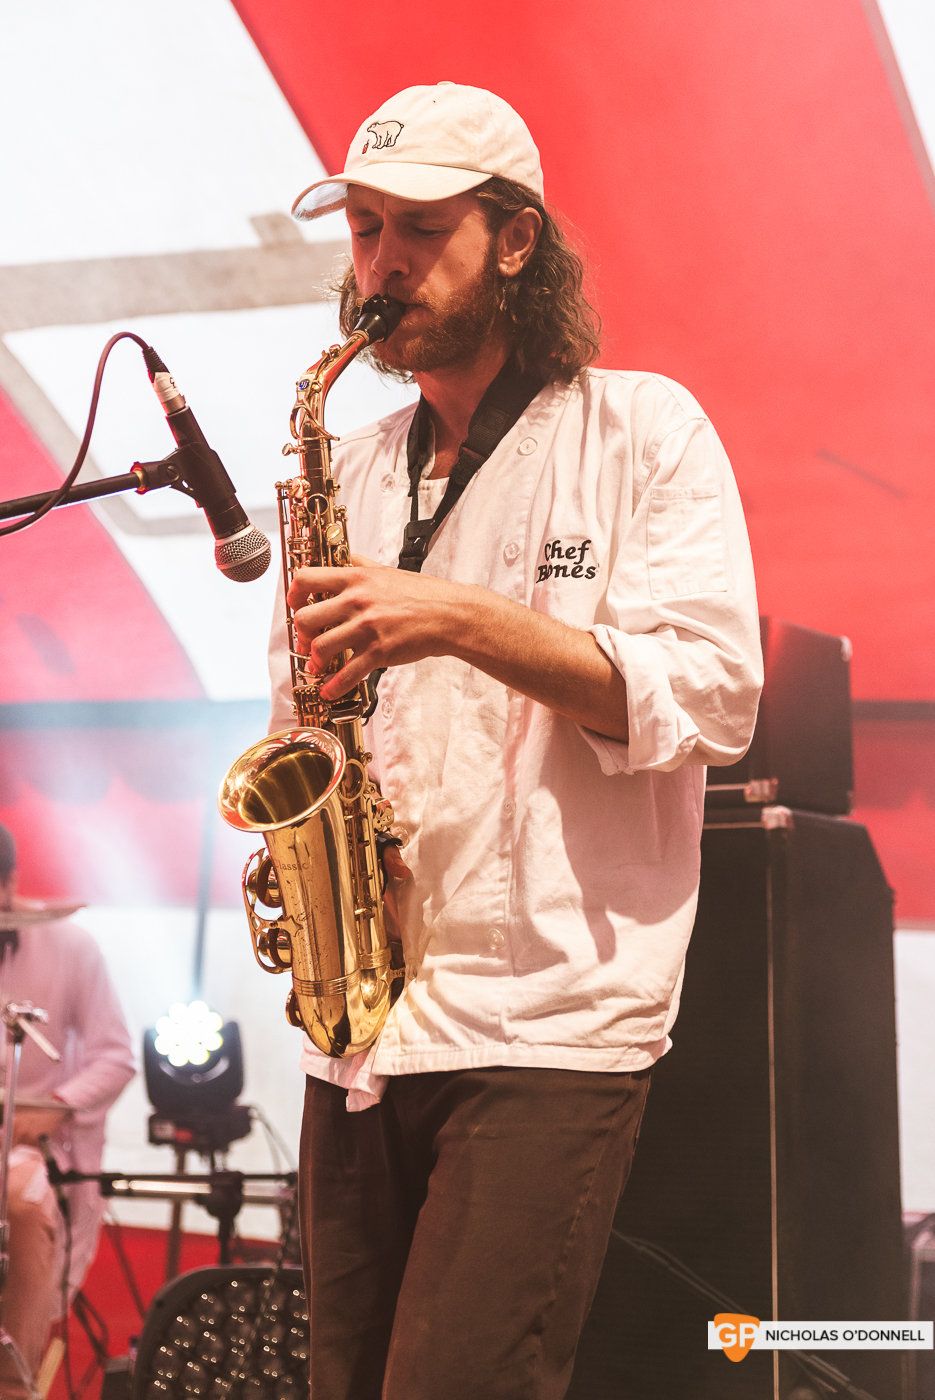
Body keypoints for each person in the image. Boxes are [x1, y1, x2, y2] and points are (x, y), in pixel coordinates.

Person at [269, 82, 762, 1400]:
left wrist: (465, 621)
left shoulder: (644, 430)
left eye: (420, 228)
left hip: (542, 1023)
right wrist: (286, 846)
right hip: (361, 1021)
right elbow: (302, 712)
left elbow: (713, 694)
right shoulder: (352, 463)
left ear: (517, 240)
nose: (380, 266)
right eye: (365, 231)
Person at [0, 825, 134, 1400]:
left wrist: (57, 1108)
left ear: (9, 884)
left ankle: (13, 1381)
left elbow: (115, 1055)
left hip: (28, 1143)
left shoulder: (71, 945)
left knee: (24, 1206)